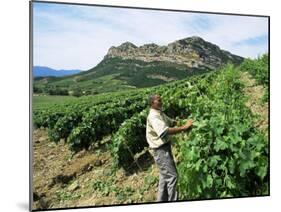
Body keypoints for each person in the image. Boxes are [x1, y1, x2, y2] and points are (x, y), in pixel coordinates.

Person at [146, 94, 193, 202]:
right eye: (158, 100)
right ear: (152, 103)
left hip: (164, 148)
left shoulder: (159, 113)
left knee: (164, 176)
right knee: (172, 177)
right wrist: (184, 127)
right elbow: (164, 132)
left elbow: (171, 122)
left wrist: (183, 122)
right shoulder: (153, 116)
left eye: (161, 99)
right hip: (160, 150)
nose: (161, 101)